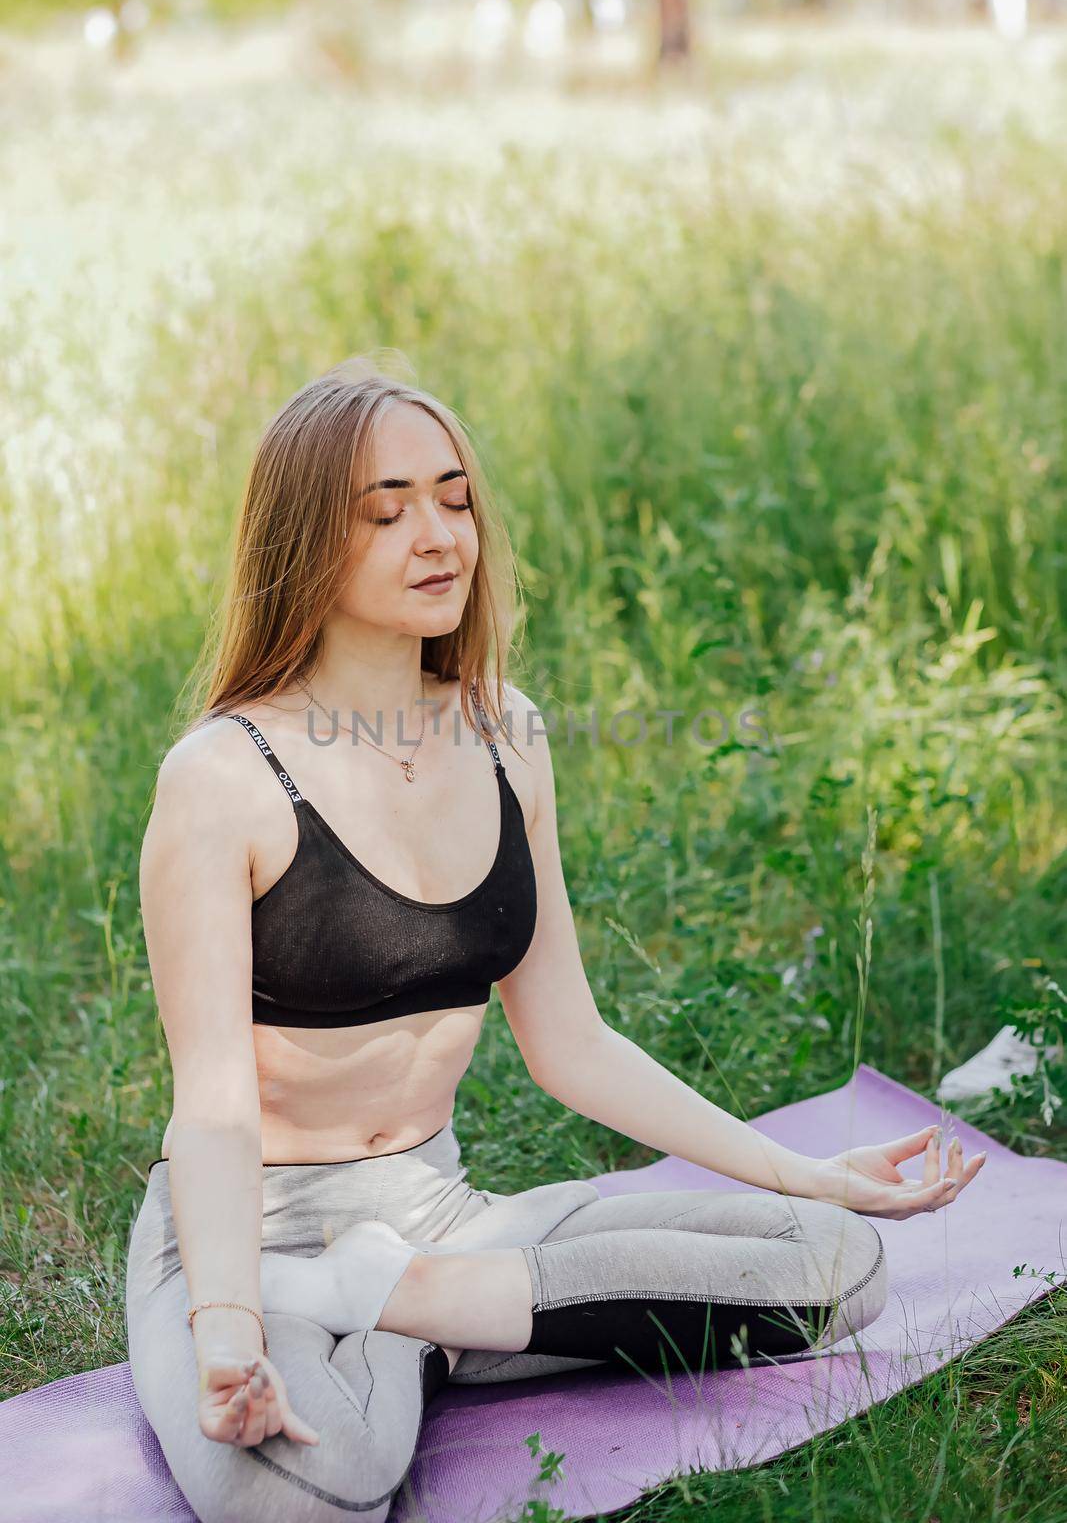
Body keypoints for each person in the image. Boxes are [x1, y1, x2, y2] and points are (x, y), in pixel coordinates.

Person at [125, 358, 986, 1523]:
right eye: (385, 512)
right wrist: (225, 1321)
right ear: (301, 545)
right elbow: (214, 1108)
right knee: (311, 1497)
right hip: (249, 1234)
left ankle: (412, 1307)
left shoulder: (504, 731)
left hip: (441, 1219)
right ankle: (394, 1314)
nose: (437, 535)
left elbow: (569, 1042)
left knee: (838, 1268)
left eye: (453, 497)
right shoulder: (223, 777)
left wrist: (808, 1171)